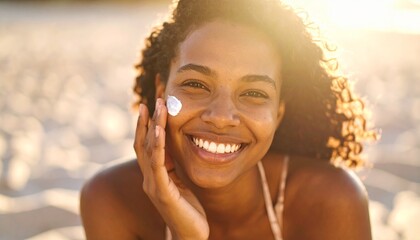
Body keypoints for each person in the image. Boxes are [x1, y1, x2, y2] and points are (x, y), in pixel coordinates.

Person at [80, 0, 377, 239]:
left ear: (279, 113)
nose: (221, 117)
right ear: (161, 90)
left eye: (254, 93)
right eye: (196, 85)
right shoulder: (111, 199)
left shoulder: (332, 202)